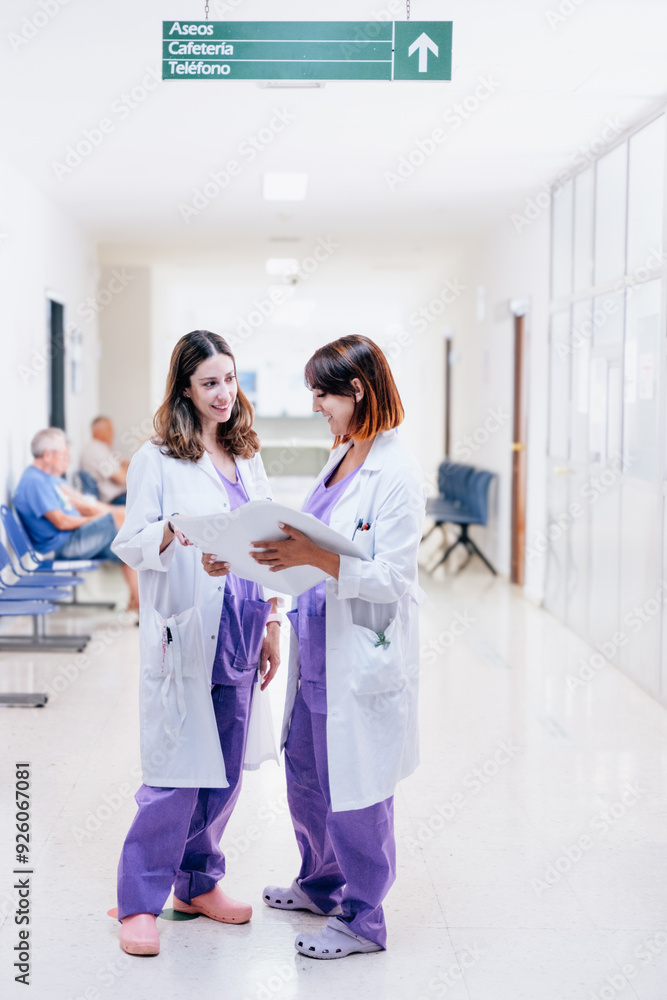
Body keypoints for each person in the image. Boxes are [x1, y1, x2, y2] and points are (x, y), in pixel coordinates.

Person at [249, 334, 426, 959]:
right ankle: (320, 883)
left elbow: (392, 579)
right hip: (318, 641)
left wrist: (312, 554)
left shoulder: (397, 472)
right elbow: (324, 544)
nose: (316, 406)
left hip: (361, 653)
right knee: (307, 773)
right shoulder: (346, 452)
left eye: (322, 394)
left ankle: (362, 917)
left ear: (357, 390)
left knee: (357, 788)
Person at [111, 330, 282, 958]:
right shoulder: (156, 458)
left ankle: (197, 884)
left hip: (239, 624)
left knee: (225, 771)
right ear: (185, 386)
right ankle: (138, 903)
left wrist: (271, 623)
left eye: (231, 380)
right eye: (210, 382)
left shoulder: (246, 454)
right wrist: (178, 534)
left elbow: (265, 543)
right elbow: (131, 543)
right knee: (176, 775)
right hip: (184, 630)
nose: (224, 394)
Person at [14, 427, 139, 610]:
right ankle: (139, 604)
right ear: (48, 455)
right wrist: (97, 519)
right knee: (122, 523)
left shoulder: (51, 479)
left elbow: (82, 503)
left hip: (72, 537)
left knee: (130, 547)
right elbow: (62, 522)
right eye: (64, 455)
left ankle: (137, 603)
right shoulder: (35, 482)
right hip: (61, 546)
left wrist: (108, 512)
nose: (69, 461)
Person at [80, 416, 129, 504]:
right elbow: (121, 479)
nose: (113, 433)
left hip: (121, 496)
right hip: (115, 500)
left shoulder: (104, 448)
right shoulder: (96, 450)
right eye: (109, 429)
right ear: (98, 431)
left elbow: (127, 464)